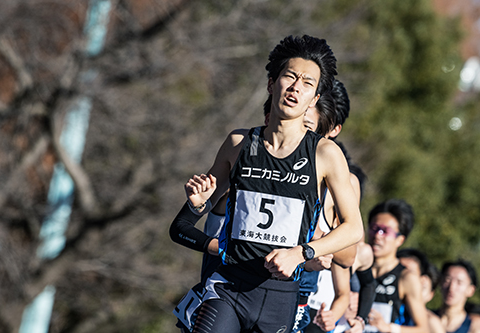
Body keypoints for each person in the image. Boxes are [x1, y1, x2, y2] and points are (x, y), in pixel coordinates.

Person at [170, 35, 364, 333]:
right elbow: (182, 225)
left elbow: (353, 229)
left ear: (314, 98)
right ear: (272, 83)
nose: (297, 87)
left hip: (280, 299)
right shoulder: (239, 143)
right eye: (290, 76)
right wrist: (199, 205)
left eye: (308, 83)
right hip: (228, 288)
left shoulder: (325, 154)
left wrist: (303, 252)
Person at [293, 80, 376, 333]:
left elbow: (347, 255)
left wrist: (313, 242)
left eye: (310, 124)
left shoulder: (345, 182)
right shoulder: (262, 155)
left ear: (332, 128)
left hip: (301, 299)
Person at [367, 199, 430, 333]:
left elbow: (423, 329)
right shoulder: (354, 267)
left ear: (400, 239)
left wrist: (389, 328)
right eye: (374, 228)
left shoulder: (406, 277)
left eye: (385, 231)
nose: (378, 236)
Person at [397, 248, 445, 333]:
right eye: (399, 271)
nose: (404, 277)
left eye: (409, 273)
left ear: (422, 281)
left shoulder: (431, 322)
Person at [436, 259, 480, 333]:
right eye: (447, 280)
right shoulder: (424, 319)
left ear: (471, 290)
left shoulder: (475, 327)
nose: (451, 288)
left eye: (459, 282)